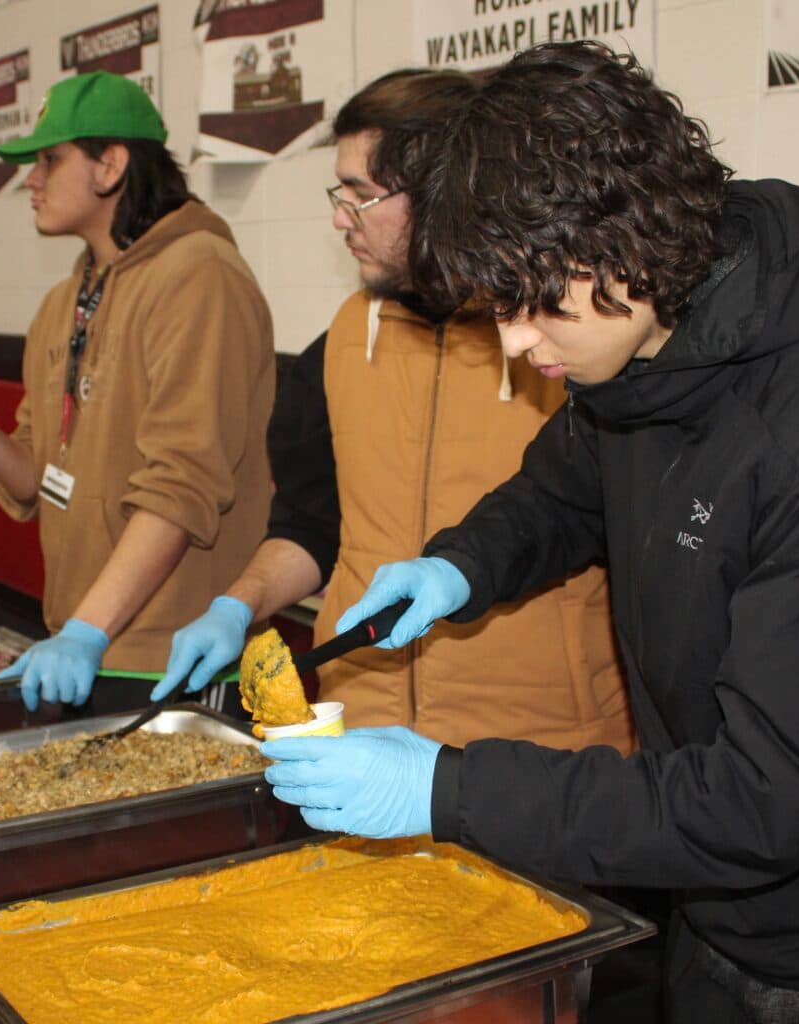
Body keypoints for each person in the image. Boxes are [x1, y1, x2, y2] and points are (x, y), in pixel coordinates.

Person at [262, 41, 799, 1020]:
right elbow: (563, 492)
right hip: (713, 900)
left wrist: (452, 789)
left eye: (531, 303)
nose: (515, 342)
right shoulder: (634, 334)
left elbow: (766, 794)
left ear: (629, 236)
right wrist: (457, 567)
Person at [154, 69, 634, 754]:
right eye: (339, 191)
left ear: (448, 193)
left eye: (361, 194)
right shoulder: (342, 344)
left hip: (542, 761)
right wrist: (239, 606)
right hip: (364, 739)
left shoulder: (566, 347)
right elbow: (313, 526)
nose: (339, 217)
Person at [0, 71, 275, 711]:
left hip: (176, 662)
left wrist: (86, 630)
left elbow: (182, 485)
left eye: (50, 160)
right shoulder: (64, 300)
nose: (32, 180)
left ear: (110, 165)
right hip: (85, 644)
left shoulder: (199, 277)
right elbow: (37, 480)